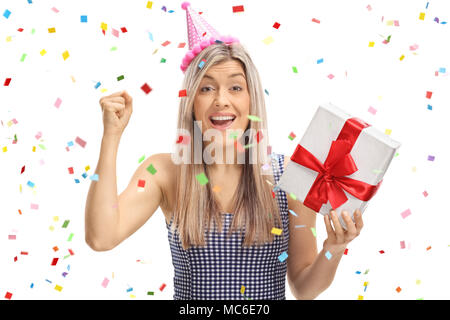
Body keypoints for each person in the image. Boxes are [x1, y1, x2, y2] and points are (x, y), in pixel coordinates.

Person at [85, 2, 364, 300]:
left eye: (235, 88)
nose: (221, 100)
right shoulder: (164, 172)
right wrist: (111, 136)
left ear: (251, 100)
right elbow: (101, 237)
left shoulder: (289, 176)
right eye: (206, 89)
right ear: (191, 103)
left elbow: (304, 288)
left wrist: (333, 248)